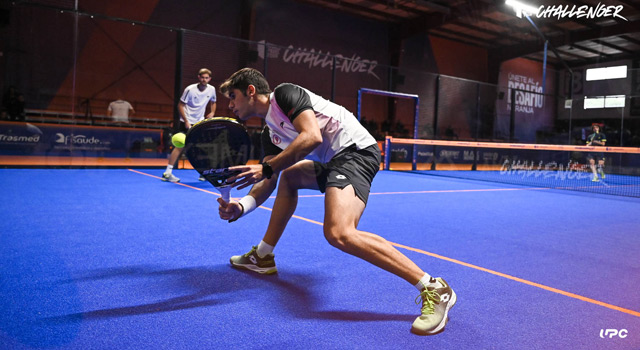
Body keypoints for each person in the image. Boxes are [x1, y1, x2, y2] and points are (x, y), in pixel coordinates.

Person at [216, 68, 456, 336]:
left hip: (356, 152)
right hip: (334, 161)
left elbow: (311, 137)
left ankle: (433, 286)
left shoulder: (284, 94)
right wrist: (242, 206)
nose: (230, 104)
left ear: (251, 91)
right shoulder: (269, 134)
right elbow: (269, 178)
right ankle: (262, 256)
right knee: (289, 178)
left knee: (339, 233)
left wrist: (269, 168)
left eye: (233, 96)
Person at [162, 68, 217, 183]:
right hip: (185, 121)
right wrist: (186, 121)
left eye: (206, 78)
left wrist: (212, 112)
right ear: (198, 77)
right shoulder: (190, 89)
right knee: (180, 147)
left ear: (210, 79)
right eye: (202, 77)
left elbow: (213, 102)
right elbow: (180, 105)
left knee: (202, 147)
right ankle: (167, 172)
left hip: (199, 122)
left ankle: (203, 173)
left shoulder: (212, 89)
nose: (204, 80)